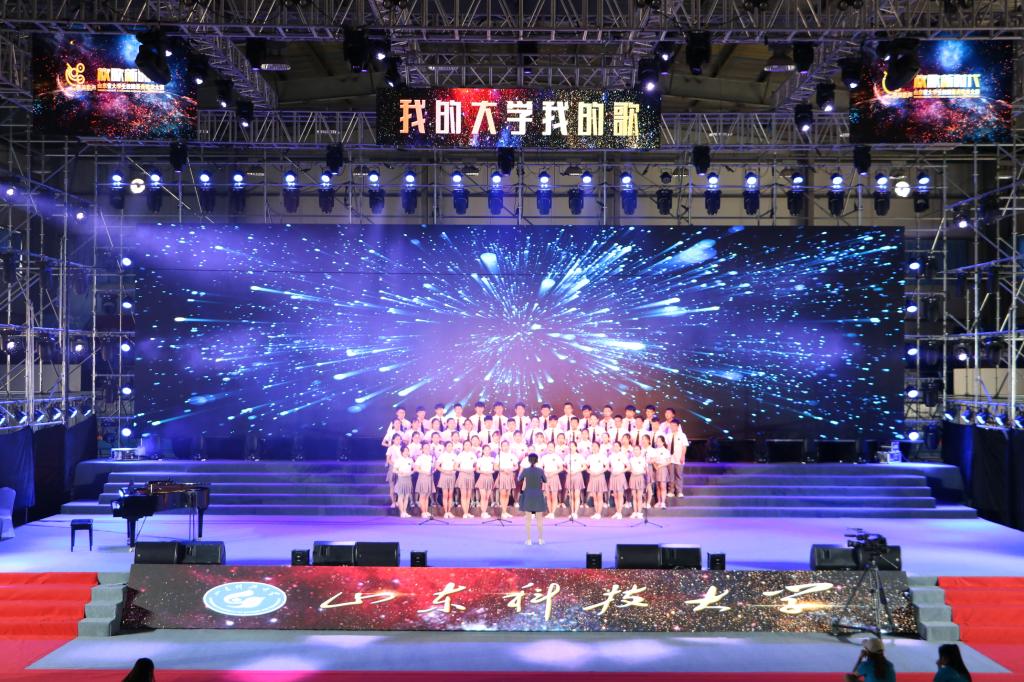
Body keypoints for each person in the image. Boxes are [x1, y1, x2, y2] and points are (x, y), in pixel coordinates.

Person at [518, 453, 548, 545]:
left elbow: (519, 479)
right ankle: (540, 539)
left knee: (528, 519)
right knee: (539, 519)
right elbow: (545, 480)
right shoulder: (540, 470)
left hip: (528, 495)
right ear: (537, 461)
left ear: (528, 461)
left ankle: (529, 540)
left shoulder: (526, 470)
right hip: (538, 494)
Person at [540, 442, 563, 519]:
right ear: (547, 448)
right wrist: (544, 473)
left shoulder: (557, 457)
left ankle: (553, 513)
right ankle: (550, 512)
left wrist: (553, 473)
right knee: (548, 496)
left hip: (554, 476)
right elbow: (541, 467)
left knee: (554, 495)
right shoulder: (544, 457)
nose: (550, 448)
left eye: (551, 447)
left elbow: (561, 468)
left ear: (554, 448)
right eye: (549, 447)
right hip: (546, 477)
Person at [585, 445, 609, 519]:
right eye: (593, 447)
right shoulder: (590, 457)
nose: (594, 448)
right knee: (595, 497)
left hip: (600, 476)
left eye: (596, 447)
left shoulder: (603, 456)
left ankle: (599, 513)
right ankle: (596, 513)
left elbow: (607, 467)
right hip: (592, 477)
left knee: (599, 496)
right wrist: (590, 472)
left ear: (599, 448)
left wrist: (599, 472)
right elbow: (586, 467)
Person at [496, 441, 519, 520]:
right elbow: (495, 467)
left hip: (509, 475)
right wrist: (503, 469)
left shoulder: (512, 456)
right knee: (503, 494)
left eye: (506, 445)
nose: (505, 447)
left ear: (509, 446)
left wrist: (511, 469)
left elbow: (516, 466)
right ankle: (503, 512)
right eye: (503, 446)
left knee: (507, 494)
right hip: (502, 475)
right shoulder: (499, 456)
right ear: (501, 447)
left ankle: (505, 512)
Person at [607, 441, 630, 519]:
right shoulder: (611, 456)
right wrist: (611, 470)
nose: (615, 447)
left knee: (620, 495)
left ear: (620, 447)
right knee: (615, 495)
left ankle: (620, 512)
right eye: (614, 446)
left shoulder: (623, 455)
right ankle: (617, 512)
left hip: (620, 476)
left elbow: (628, 467)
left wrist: (620, 471)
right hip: (613, 476)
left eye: (617, 446)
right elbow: (607, 467)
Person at [435, 445, 458, 519]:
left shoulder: (454, 455)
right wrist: (444, 471)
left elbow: (456, 466)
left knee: (450, 495)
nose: (450, 448)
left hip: (452, 475)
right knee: (445, 495)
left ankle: (449, 511)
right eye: (448, 446)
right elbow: (437, 466)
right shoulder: (442, 455)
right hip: (444, 475)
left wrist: (452, 471)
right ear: (445, 447)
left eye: (451, 446)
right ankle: (445, 512)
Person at [455, 445, 478, 517]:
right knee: (463, 495)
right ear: (464, 446)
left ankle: (467, 512)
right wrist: (464, 470)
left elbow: (476, 466)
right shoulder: (460, 455)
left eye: (469, 445)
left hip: (471, 475)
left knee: (468, 495)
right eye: (466, 445)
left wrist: (473, 469)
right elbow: (455, 467)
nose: (467, 446)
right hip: (463, 475)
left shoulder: (473, 455)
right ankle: (465, 513)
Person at [413, 446, 436, 519]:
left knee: (427, 495)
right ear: (422, 449)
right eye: (425, 448)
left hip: (430, 477)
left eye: (428, 448)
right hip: (423, 476)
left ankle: (426, 511)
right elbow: (416, 468)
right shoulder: (420, 458)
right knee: (422, 495)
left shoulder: (431, 457)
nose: (427, 449)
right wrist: (425, 472)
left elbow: (433, 467)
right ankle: (423, 512)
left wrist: (433, 470)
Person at [650, 435, 671, 509]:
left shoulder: (666, 451)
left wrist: (660, 466)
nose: (657, 442)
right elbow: (652, 460)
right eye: (657, 441)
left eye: (659, 441)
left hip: (662, 468)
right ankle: (659, 501)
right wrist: (655, 466)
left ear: (663, 442)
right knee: (658, 486)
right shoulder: (654, 450)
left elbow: (668, 461)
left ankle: (663, 502)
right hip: (656, 468)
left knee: (663, 486)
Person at [475, 445, 497, 519]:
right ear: (483, 451)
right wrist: (484, 472)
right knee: (483, 496)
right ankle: (483, 512)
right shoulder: (480, 459)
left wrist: (491, 471)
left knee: (487, 497)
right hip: (482, 477)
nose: (487, 451)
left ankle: (484, 511)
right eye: (485, 450)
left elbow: (495, 469)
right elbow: (477, 470)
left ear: (490, 450)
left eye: (488, 450)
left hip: (490, 478)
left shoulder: (492, 459)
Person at [393, 447, 415, 518]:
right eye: (405, 451)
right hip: (401, 479)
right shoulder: (399, 460)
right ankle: (401, 512)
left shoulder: (410, 460)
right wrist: (401, 472)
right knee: (401, 496)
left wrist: (410, 473)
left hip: (408, 478)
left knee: (407, 496)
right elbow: (394, 470)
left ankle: (405, 511)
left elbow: (414, 468)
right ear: (402, 452)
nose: (406, 452)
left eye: (407, 451)